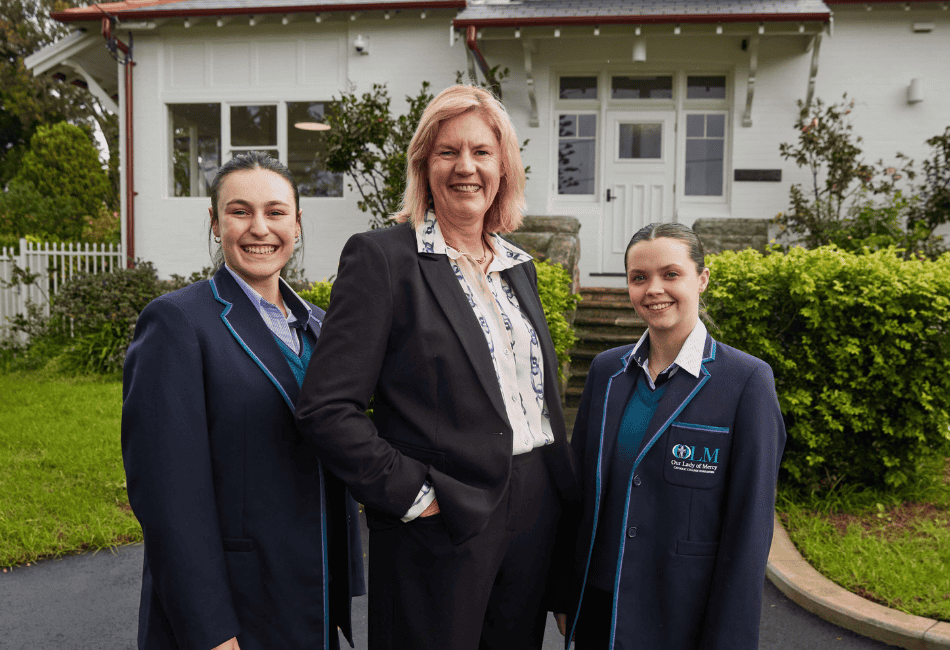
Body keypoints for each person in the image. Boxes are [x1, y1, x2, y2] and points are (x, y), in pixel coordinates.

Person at [294, 85, 579, 650]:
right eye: (447, 152)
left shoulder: (517, 268)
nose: (465, 167)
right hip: (441, 517)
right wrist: (414, 495)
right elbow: (327, 408)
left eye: (481, 152)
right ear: (424, 165)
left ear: (504, 167)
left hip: (533, 509)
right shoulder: (381, 259)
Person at [121, 151, 364, 650]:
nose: (260, 228)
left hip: (310, 597)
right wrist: (210, 629)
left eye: (275, 212)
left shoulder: (322, 325)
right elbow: (168, 496)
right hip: (234, 608)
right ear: (215, 223)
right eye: (239, 211)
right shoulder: (177, 323)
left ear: (297, 224)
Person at [554, 222, 786, 650]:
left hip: (683, 618)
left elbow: (749, 529)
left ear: (702, 278)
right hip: (600, 611)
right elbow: (578, 494)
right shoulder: (607, 371)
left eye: (671, 274)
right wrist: (567, 592)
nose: (653, 289)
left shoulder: (747, 382)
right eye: (639, 278)